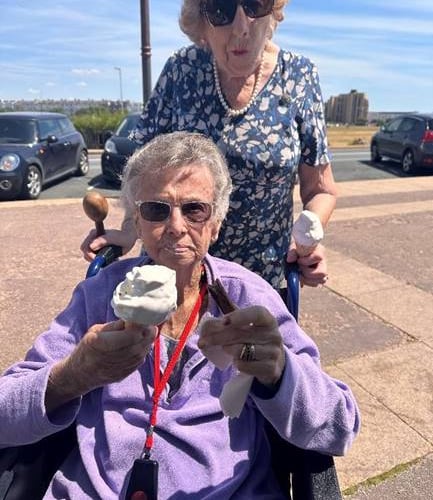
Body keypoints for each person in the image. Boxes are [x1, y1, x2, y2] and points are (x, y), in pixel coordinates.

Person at [0, 132, 358, 499]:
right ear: (136, 223)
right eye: (156, 209)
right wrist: (74, 374)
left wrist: (278, 372)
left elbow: (339, 425)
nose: (175, 226)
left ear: (216, 223)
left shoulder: (249, 300)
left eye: (194, 209)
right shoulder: (100, 296)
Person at [82, 0, 337, 290]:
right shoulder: (182, 70)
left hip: (260, 281)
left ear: (273, 11)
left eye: (255, 6)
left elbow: (321, 190)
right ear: (201, 24)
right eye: (221, 10)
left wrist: (306, 241)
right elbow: (142, 173)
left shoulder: (299, 76)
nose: (241, 28)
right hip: (174, 271)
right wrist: (129, 231)